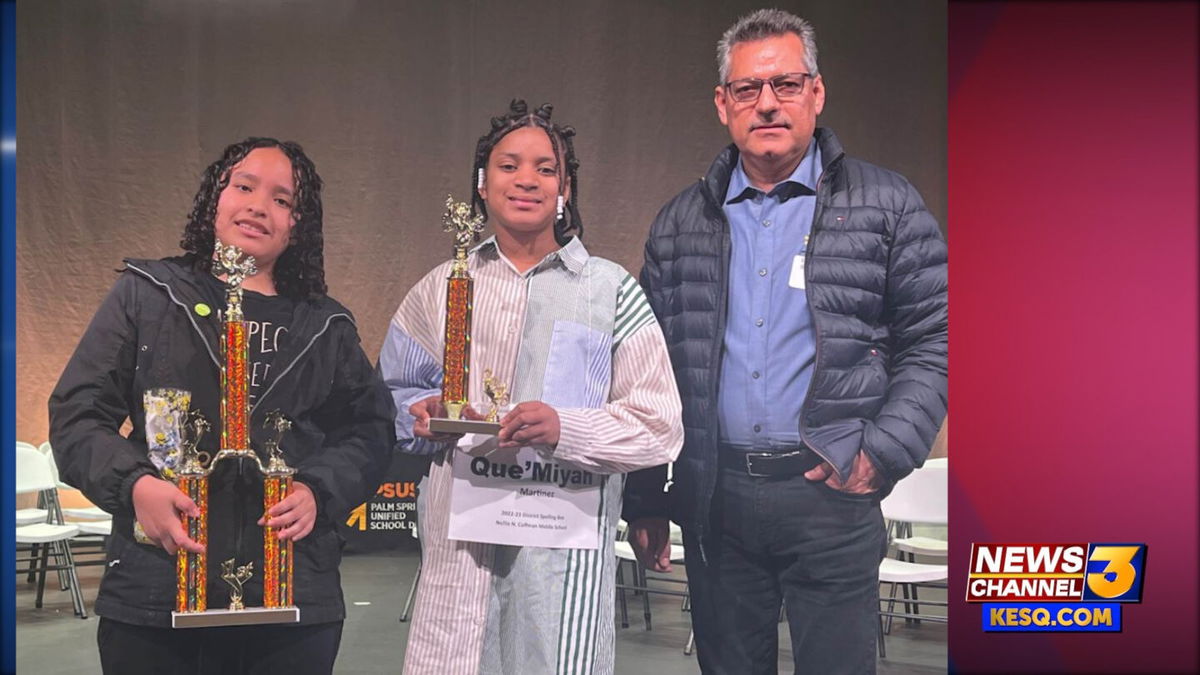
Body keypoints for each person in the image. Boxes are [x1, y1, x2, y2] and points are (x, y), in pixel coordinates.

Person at [622, 9, 948, 674]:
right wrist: (648, 496)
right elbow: (646, 372)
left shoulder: (889, 206)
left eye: (786, 84)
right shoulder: (680, 223)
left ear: (817, 93)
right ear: (723, 104)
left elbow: (933, 341)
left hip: (830, 494)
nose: (767, 103)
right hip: (717, 504)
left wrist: (881, 452)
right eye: (747, 89)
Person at [48, 137, 395, 675]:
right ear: (216, 198)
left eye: (282, 199)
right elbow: (77, 415)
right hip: (155, 590)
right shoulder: (148, 294)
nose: (259, 206)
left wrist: (317, 491)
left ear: (298, 225)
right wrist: (136, 485)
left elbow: (369, 432)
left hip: (292, 594)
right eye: (245, 186)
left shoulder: (325, 325)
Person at [380, 100, 683, 675]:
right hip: (461, 551)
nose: (526, 180)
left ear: (565, 188)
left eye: (546, 168)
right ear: (482, 183)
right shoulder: (442, 287)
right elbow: (393, 396)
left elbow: (659, 425)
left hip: (561, 557)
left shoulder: (611, 292)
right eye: (508, 165)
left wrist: (565, 428)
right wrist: (417, 413)